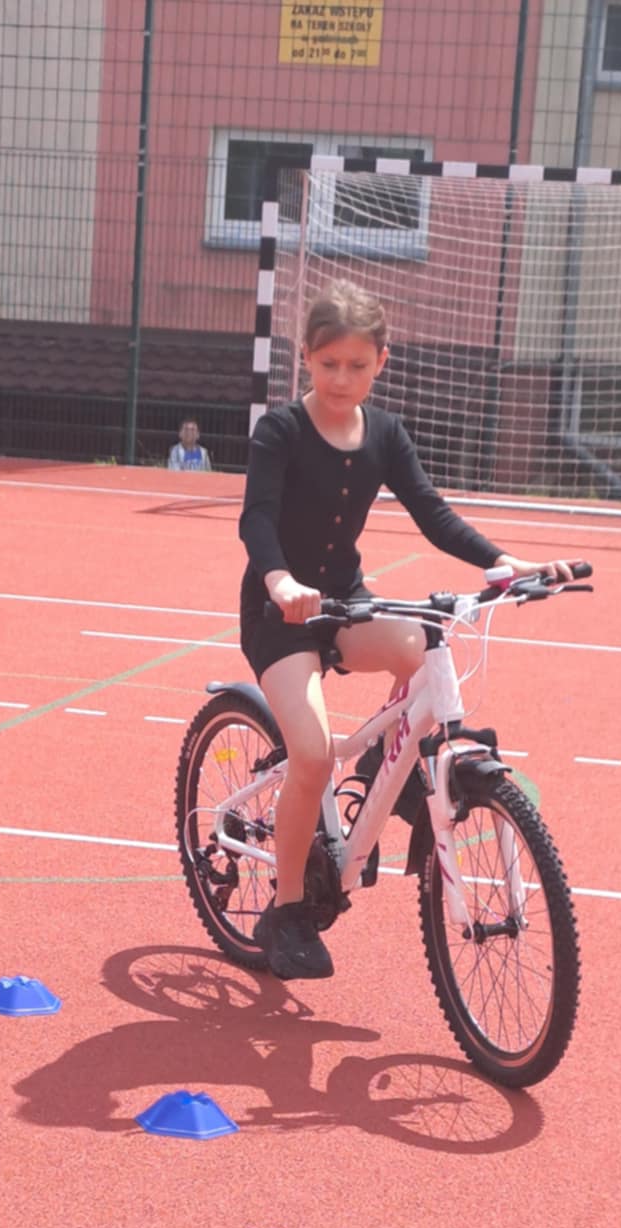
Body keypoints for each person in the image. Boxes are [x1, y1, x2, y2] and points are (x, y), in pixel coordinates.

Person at [239, 280, 573, 981]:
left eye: (357, 366)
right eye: (328, 364)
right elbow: (257, 519)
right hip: (283, 615)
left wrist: (501, 562)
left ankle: (386, 769)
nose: (341, 379)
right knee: (310, 757)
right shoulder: (281, 431)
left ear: (381, 362)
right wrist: (279, 581)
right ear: (306, 358)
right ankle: (288, 908)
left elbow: (432, 512)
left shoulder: (385, 434)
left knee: (421, 644)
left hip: (347, 604)